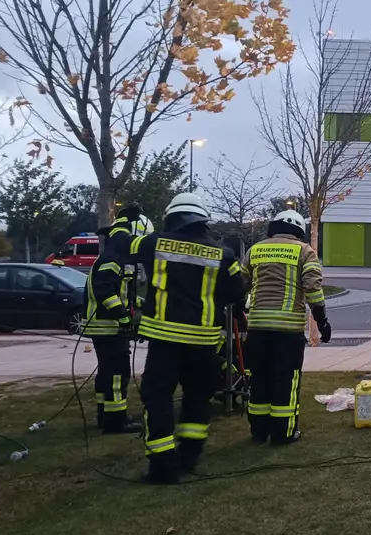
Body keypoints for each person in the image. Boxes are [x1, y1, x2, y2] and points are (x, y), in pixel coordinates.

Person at [119, 192, 247, 484]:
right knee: (197, 397)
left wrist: (123, 221)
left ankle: (162, 466)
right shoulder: (224, 255)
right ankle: (190, 456)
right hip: (204, 341)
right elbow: (237, 293)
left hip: (164, 339)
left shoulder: (153, 243)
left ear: (173, 218)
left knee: (158, 397)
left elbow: (123, 246)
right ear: (202, 220)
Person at [242, 210, 331, 445]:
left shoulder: (255, 250)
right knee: (286, 380)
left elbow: (239, 285)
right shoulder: (304, 251)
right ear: (299, 231)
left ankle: (259, 432)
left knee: (259, 379)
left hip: (258, 328)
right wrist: (322, 322)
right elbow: (313, 289)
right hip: (287, 330)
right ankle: (284, 432)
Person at [82, 204, 154, 434]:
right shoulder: (114, 257)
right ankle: (116, 421)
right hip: (107, 325)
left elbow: (124, 294)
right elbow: (105, 291)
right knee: (117, 372)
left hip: (105, 325)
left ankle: (106, 415)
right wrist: (123, 318)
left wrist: (145, 306)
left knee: (106, 371)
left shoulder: (116, 255)